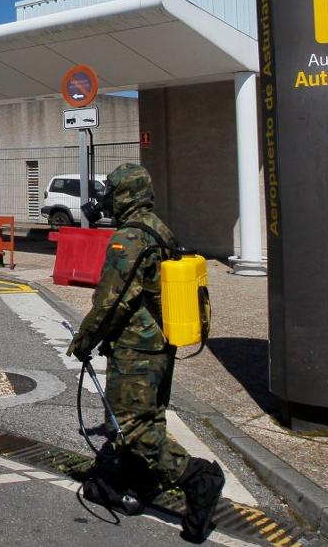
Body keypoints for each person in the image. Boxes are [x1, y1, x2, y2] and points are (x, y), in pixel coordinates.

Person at [66, 163, 224, 543]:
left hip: (137, 349)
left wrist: (84, 341)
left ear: (124, 196)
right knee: (149, 416)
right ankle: (135, 477)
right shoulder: (159, 228)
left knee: (132, 425)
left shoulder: (129, 239)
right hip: (160, 343)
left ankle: (198, 478)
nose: (105, 200)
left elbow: (111, 302)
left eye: (111, 193)